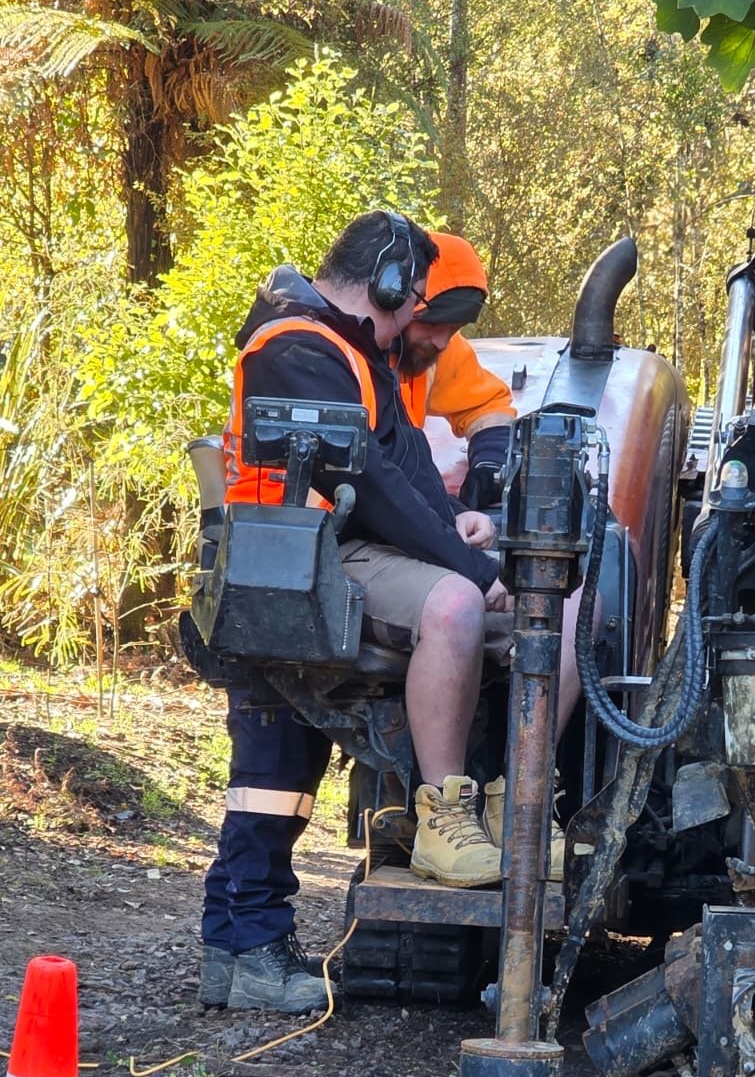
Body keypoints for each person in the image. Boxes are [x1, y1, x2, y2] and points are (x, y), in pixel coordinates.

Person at [200, 213, 583, 1013]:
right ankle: (244, 949)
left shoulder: (359, 356)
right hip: (293, 567)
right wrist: (471, 570)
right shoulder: (299, 349)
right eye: (413, 299)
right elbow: (372, 487)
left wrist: (467, 526)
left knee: (572, 607)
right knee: (271, 782)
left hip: (328, 560)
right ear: (382, 283)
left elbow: (403, 473)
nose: (419, 320)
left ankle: (517, 801)